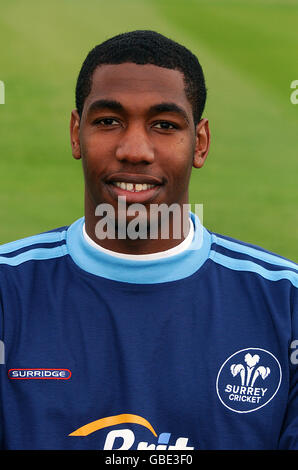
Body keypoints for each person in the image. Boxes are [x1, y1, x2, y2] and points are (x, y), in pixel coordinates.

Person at [0, 30, 297, 451]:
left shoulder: (287, 303)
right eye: (108, 121)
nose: (134, 150)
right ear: (75, 134)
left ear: (201, 142)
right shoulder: (6, 293)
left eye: (164, 125)